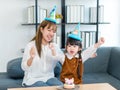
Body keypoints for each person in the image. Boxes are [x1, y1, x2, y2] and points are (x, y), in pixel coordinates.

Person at [21, 6, 64, 87]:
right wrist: (31, 58)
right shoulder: (30, 45)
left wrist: (56, 54)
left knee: (61, 87)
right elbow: (24, 67)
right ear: (41, 29)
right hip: (32, 79)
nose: (51, 34)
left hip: (49, 78)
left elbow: (64, 61)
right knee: (44, 87)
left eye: (53, 31)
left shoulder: (54, 46)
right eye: (49, 30)